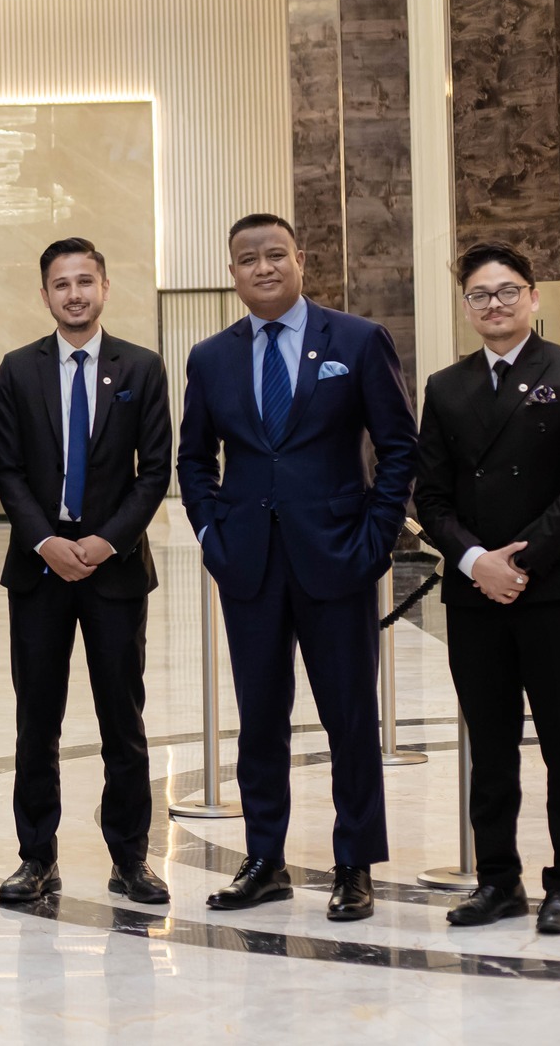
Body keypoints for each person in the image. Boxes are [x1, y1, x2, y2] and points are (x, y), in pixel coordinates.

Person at [176, 214, 417, 921]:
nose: (264, 267)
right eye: (248, 258)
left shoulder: (357, 340)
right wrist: (211, 532)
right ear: (233, 273)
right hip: (248, 562)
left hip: (339, 556)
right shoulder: (210, 357)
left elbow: (399, 446)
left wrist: (376, 536)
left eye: (275, 254)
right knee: (260, 719)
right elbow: (194, 458)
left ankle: (354, 863)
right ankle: (264, 860)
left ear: (301, 259)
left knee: (349, 716)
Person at [415, 242, 560, 936]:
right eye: (479, 294)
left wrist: (516, 564)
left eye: (506, 291)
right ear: (466, 306)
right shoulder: (446, 386)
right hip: (476, 597)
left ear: (532, 297)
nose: (493, 304)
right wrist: (476, 562)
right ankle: (498, 880)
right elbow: (430, 496)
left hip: (553, 592)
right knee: (490, 747)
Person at [0, 238, 172, 907]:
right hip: (40, 570)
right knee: (37, 721)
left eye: (85, 281)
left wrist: (104, 541)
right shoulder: (18, 369)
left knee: (122, 720)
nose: (74, 293)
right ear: (45, 294)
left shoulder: (141, 366)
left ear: (104, 287)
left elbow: (155, 470)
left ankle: (131, 858)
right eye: (61, 284)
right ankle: (36, 857)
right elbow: (5, 468)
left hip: (114, 569)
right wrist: (45, 541)